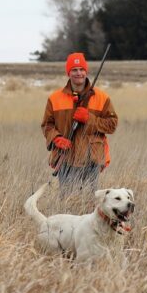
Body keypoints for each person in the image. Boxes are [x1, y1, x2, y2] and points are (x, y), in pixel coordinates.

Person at [41, 52, 118, 194]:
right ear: (68, 73)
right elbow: (47, 125)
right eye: (74, 70)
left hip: (92, 160)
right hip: (66, 158)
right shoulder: (55, 98)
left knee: (89, 203)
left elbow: (112, 124)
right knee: (67, 202)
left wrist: (89, 119)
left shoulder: (101, 97)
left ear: (86, 71)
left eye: (82, 69)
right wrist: (56, 138)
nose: (79, 73)